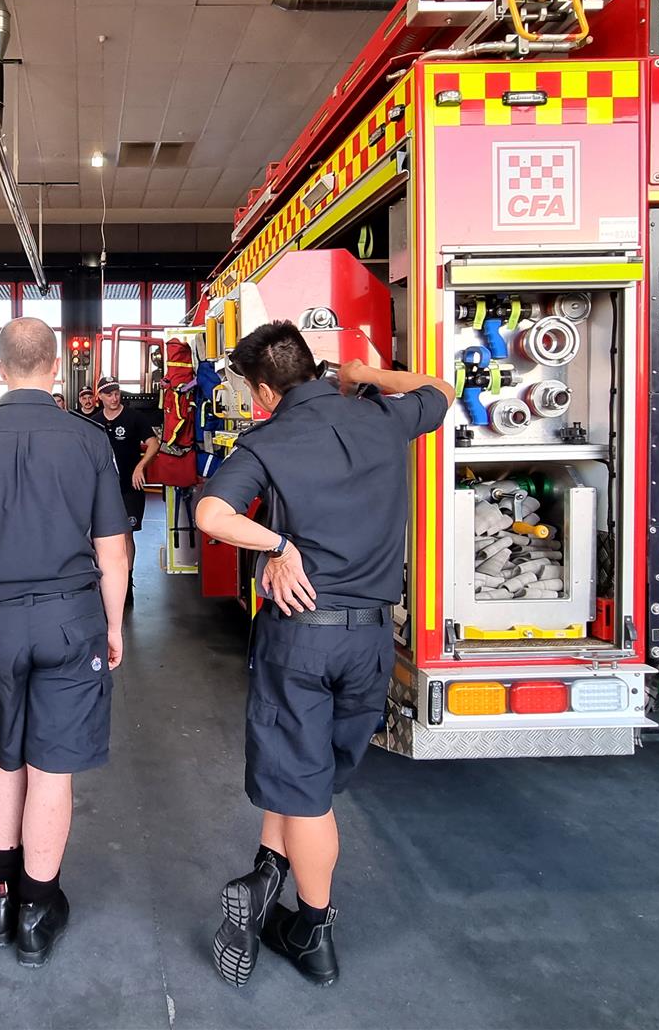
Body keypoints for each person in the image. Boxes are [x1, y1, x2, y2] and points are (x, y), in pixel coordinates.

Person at [193, 322, 453, 990]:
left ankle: (313, 931)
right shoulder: (381, 418)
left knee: (307, 797)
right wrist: (367, 375)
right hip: (370, 638)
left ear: (261, 388)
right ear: (316, 368)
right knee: (307, 776)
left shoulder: (270, 440)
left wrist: (278, 548)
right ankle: (265, 875)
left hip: (303, 634)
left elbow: (212, 515)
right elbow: (441, 389)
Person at [0, 318, 130, 969]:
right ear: (54, 369)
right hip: (71, 621)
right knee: (53, 767)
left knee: (6, 752)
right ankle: (37, 911)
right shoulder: (88, 438)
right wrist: (112, 622)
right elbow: (113, 545)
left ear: (0, 365)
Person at [88, 376, 160, 602]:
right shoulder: (94, 422)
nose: (114, 397)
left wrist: (141, 466)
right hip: (103, 488)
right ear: (99, 396)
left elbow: (154, 443)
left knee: (127, 535)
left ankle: (127, 583)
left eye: (117, 393)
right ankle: (105, 581)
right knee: (103, 536)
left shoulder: (133, 417)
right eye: (109, 394)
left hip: (130, 486)